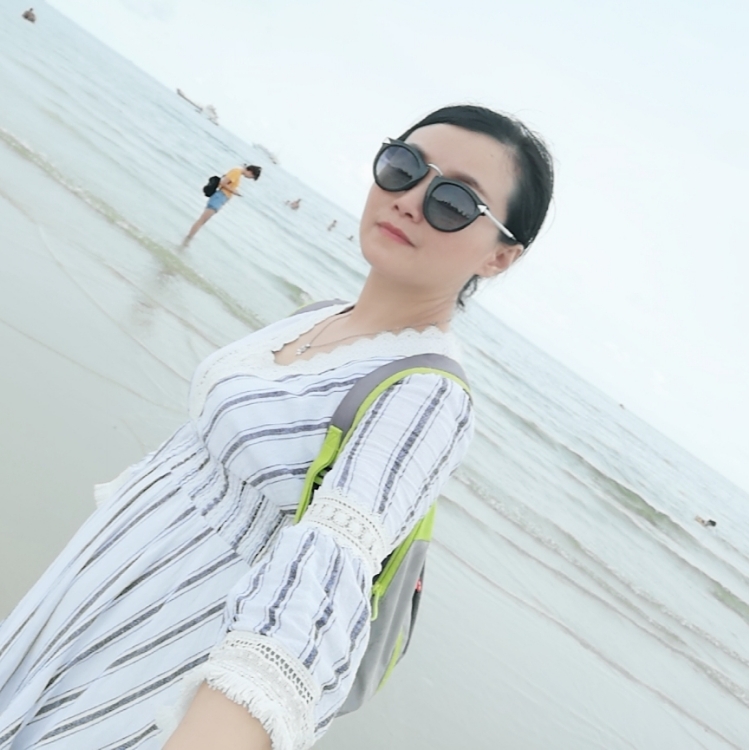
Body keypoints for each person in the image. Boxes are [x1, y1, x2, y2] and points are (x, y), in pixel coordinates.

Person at [0, 104, 553, 749]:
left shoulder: (427, 394)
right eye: (403, 167)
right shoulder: (316, 316)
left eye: (453, 201)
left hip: (149, 670)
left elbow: (325, 577)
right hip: (83, 604)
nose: (409, 201)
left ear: (500, 257)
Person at [181, 165, 262, 247]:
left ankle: (189, 238)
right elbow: (223, 183)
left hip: (220, 198)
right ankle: (188, 239)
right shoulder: (236, 172)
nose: (249, 178)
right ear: (250, 172)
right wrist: (234, 191)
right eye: (251, 176)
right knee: (202, 220)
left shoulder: (237, 172)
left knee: (203, 220)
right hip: (219, 197)